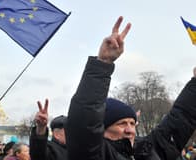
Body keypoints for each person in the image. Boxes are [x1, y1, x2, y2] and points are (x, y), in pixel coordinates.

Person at [66, 16, 196, 160]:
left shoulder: (146, 151)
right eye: (121, 124)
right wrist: (103, 63)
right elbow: (85, 121)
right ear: (102, 129)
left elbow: (181, 118)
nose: (130, 130)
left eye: (132, 123)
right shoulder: (96, 154)